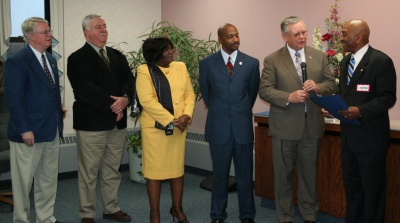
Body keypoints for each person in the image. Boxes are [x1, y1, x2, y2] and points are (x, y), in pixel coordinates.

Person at [258, 16, 336, 223]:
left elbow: (331, 85)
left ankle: (309, 215)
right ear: (285, 36)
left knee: (309, 175)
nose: (302, 37)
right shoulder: (273, 59)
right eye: (297, 34)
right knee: (283, 176)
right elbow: (264, 90)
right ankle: (285, 217)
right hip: (284, 127)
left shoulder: (318, 56)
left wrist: (318, 88)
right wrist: (288, 97)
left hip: (311, 128)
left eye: (304, 32)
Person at [323, 19, 396, 223]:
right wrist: (334, 108)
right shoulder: (346, 61)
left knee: (372, 193)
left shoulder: (381, 61)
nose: (342, 38)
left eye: (345, 34)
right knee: (353, 190)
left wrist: (360, 111)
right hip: (349, 139)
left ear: (359, 36)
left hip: (371, 139)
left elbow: (388, 97)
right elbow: (347, 96)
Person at [67, 14, 133, 223]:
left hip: (117, 123)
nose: (104, 30)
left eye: (105, 26)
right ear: (86, 32)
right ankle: (87, 213)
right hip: (91, 123)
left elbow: (129, 81)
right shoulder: (77, 58)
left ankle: (111, 208)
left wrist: (125, 99)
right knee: (89, 173)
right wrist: (114, 105)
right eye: (98, 27)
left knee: (112, 169)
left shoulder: (117, 56)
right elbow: (85, 89)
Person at [4, 17, 64, 223]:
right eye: (45, 32)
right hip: (28, 133)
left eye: (50, 31)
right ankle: (21, 220)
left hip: (50, 130)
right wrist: (24, 129)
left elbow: (52, 94)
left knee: (47, 180)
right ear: (31, 36)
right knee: (23, 183)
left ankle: (45, 218)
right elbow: (14, 98)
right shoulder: (16, 60)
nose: (50, 35)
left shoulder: (51, 60)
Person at [199, 23, 260, 223]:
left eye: (237, 35)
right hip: (219, 128)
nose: (235, 40)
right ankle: (217, 214)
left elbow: (250, 95)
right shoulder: (207, 64)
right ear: (220, 39)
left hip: (242, 129)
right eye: (230, 36)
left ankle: (248, 215)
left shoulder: (251, 63)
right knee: (219, 175)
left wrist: (238, 112)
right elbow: (207, 95)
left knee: (244, 176)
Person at [136, 37, 195, 223]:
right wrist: (172, 120)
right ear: (155, 54)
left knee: (177, 170)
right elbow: (147, 101)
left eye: (171, 48)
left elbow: (189, 94)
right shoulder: (144, 70)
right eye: (166, 50)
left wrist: (186, 115)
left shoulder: (181, 67)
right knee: (154, 172)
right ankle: (155, 213)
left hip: (179, 127)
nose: (171, 52)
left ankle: (177, 209)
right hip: (155, 129)